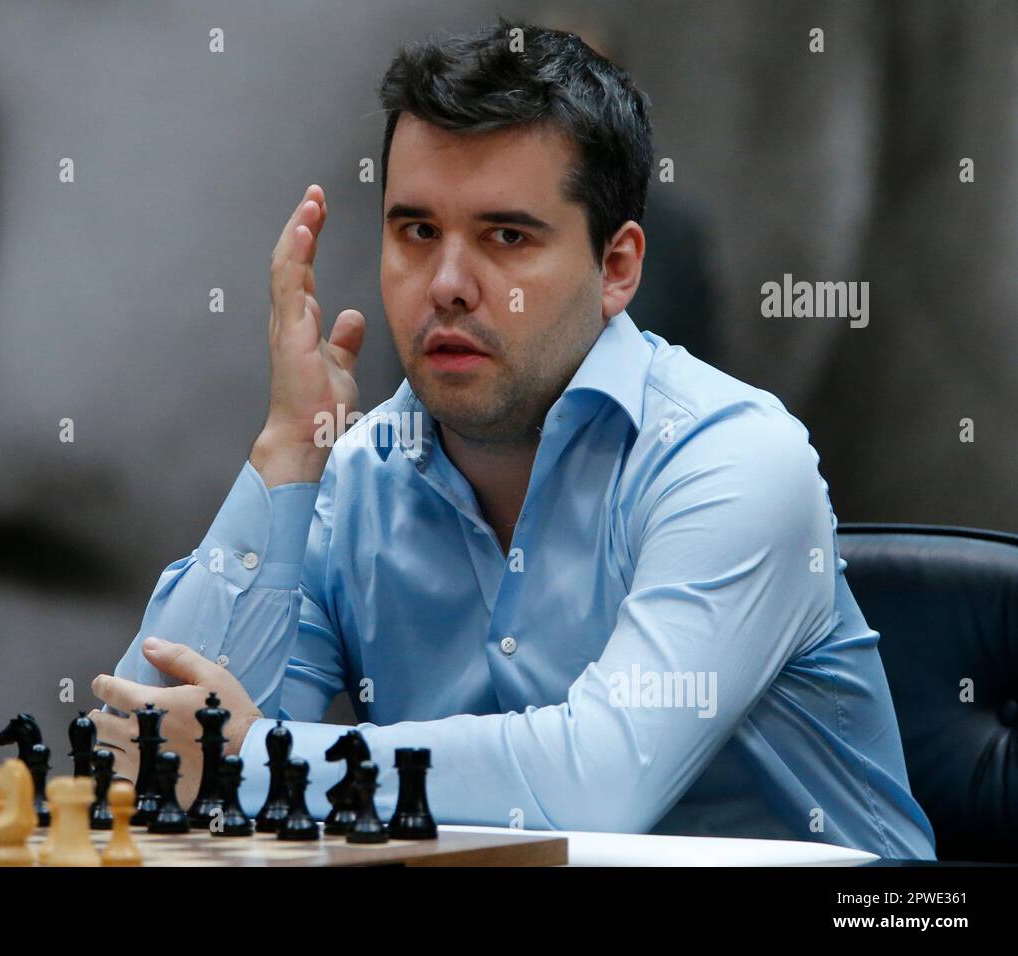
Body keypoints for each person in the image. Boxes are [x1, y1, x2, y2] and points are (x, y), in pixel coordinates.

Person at [89, 18, 935, 858]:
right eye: (417, 232)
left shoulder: (734, 460)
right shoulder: (355, 474)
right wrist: (285, 450)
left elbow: (594, 787)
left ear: (617, 268)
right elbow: (142, 757)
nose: (449, 286)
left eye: (506, 236)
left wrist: (272, 764)